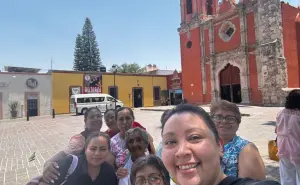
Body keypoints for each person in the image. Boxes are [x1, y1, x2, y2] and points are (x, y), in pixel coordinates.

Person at [160, 104, 279, 185]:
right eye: (170, 142)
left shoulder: (246, 148)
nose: (181, 151)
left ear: (219, 145)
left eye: (195, 137)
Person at [27, 107, 114, 185]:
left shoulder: (105, 137)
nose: (96, 119)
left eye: (98, 116)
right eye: (92, 117)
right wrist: (48, 164)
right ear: (85, 120)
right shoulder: (79, 140)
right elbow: (63, 154)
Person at [210, 100, 265, 179]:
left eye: (230, 118)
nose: (224, 121)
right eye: (218, 117)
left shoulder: (246, 149)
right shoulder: (204, 145)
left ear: (238, 123)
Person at [40, 132, 118, 185]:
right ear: (85, 149)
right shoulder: (70, 163)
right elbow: (45, 183)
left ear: (108, 151)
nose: (97, 153)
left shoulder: (109, 172)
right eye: (93, 149)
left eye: (103, 149)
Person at [276, 89, 300, 185]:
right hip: (297, 148)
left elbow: (276, 130)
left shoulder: (280, 113)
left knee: (286, 176)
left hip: (283, 147)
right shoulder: (298, 115)